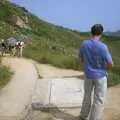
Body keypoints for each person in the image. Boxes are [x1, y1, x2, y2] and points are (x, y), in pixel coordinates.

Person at [79, 24, 113, 120]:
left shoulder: (84, 44)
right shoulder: (103, 47)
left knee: (87, 97)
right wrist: (105, 69)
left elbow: (80, 58)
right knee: (98, 100)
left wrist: (87, 66)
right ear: (101, 33)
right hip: (100, 77)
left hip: (88, 76)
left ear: (91, 32)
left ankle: (83, 116)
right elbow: (110, 63)